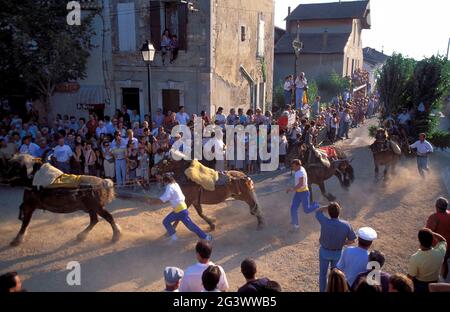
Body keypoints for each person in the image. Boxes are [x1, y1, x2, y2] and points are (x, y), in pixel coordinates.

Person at [154, 174, 212, 243]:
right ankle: (206, 237)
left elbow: (164, 198)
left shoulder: (169, 187)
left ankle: (174, 238)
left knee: (166, 221)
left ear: (166, 181)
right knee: (191, 226)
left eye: (163, 181)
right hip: (182, 208)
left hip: (179, 211)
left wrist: (152, 202)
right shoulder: (176, 184)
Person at [315, 202, 357, 292]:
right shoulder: (346, 225)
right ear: (339, 212)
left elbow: (317, 211)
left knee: (323, 274)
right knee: (335, 275)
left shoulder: (325, 221)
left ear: (329, 213)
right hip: (337, 253)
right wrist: (342, 242)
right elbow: (352, 240)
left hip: (324, 252)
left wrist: (327, 207)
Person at [286, 159, 320, 233]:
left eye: (293, 166)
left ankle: (317, 205)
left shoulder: (300, 172)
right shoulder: (301, 169)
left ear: (298, 165)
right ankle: (296, 226)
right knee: (293, 208)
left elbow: (300, 184)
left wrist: (291, 189)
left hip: (304, 193)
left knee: (306, 210)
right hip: (298, 193)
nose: (292, 168)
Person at [426, 197, 450, 279]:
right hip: (449, 244)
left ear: (436, 206)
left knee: (440, 263)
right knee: (445, 261)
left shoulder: (433, 217)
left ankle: (438, 279)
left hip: (440, 245)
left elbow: (428, 232)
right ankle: (443, 278)